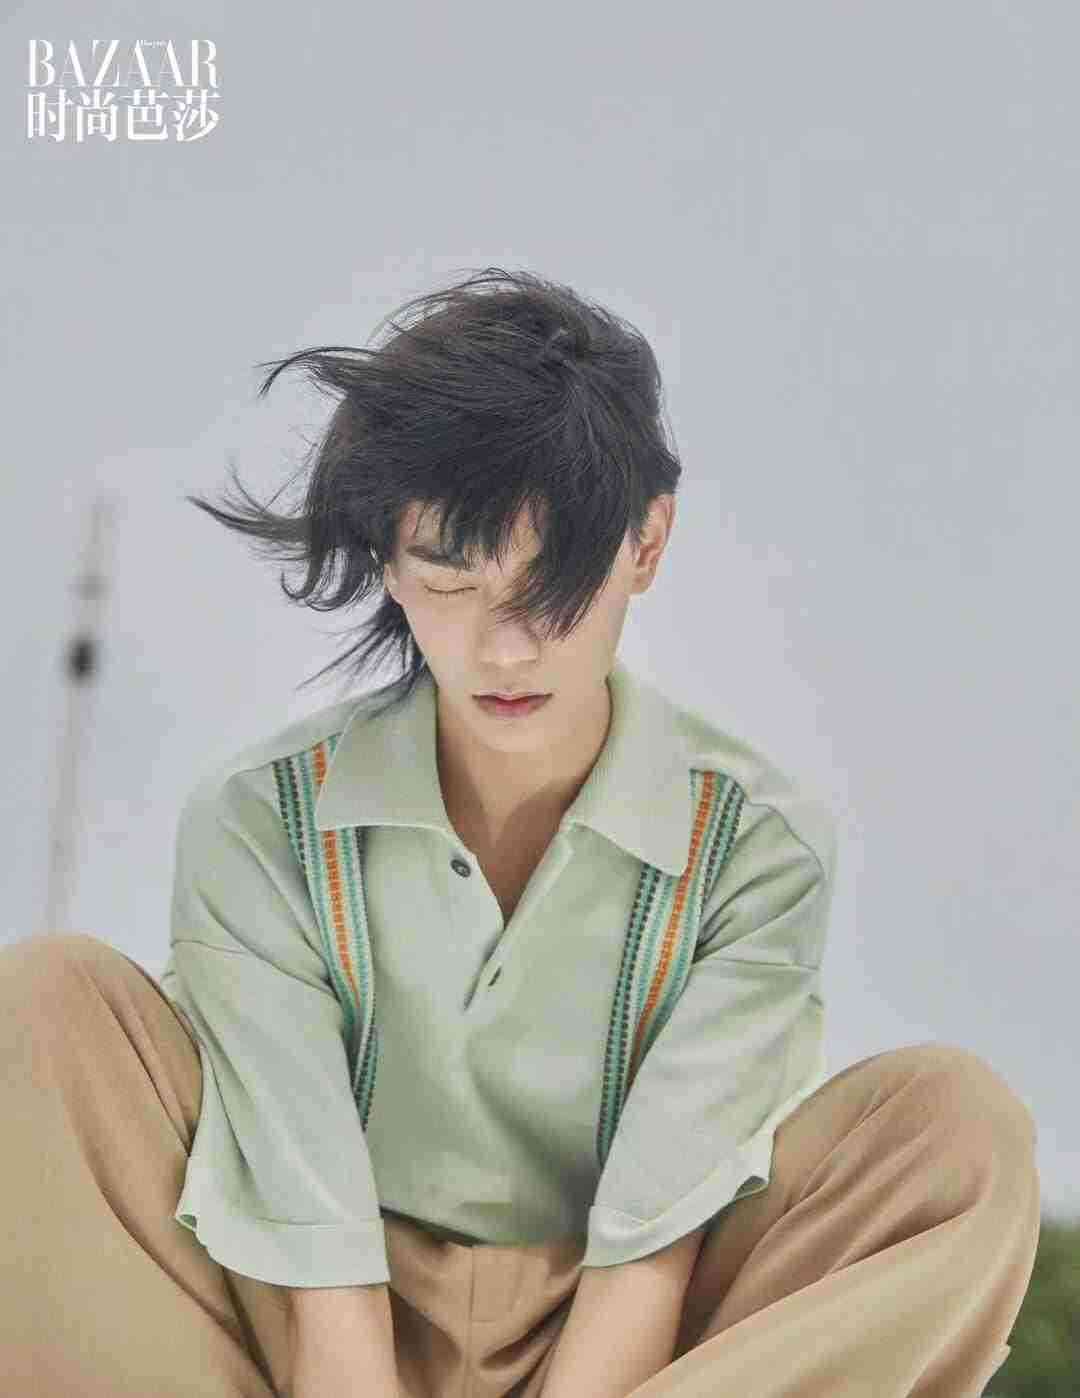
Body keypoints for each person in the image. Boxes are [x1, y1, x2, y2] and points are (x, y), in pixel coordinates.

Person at [1, 268, 1037, 1397]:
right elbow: (310, 1238)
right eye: (452, 573)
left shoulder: (756, 842)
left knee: (954, 1133)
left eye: (554, 582)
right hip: (296, 1317)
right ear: (388, 558)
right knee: (48, 1007)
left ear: (646, 544)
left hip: (646, 1348)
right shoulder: (262, 820)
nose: (505, 648)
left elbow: (655, 1242)